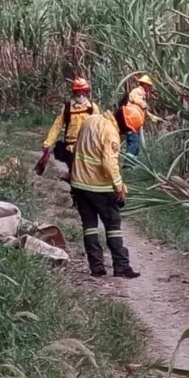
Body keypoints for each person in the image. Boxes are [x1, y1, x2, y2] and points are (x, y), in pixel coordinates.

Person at [69, 106, 141, 278]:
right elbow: (109, 163)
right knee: (113, 226)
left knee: (89, 226)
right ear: (124, 125)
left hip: (79, 184)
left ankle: (96, 266)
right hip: (100, 187)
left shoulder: (90, 120)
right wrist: (118, 186)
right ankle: (121, 266)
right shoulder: (111, 133)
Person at [35, 78, 99, 179]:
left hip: (87, 146)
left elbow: (98, 127)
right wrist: (48, 143)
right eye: (78, 92)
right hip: (71, 147)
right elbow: (57, 126)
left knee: (87, 173)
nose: (81, 95)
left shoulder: (92, 107)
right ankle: (71, 185)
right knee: (74, 171)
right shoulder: (67, 108)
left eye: (84, 92)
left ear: (87, 92)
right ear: (74, 93)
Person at [119, 74, 160, 158]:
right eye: (148, 86)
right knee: (134, 143)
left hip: (133, 123)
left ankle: (131, 165)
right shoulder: (137, 91)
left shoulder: (142, 94)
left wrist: (153, 117)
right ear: (144, 84)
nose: (149, 88)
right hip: (131, 122)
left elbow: (144, 111)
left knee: (134, 144)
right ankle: (128, 165)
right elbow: (135, 99)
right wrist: (142, 103)